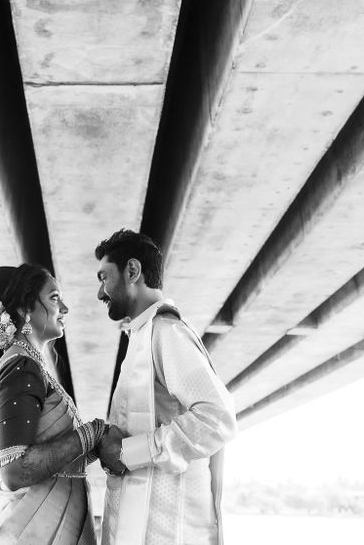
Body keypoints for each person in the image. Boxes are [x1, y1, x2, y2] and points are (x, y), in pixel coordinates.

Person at [93, 229, 236, 544]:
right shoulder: (144, 336)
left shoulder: (166, 333)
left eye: (104, 278)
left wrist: (130, 452)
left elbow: (217, 418)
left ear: (132, 271)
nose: (100, 292)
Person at [0, 263, 106, 545]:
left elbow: (54, 459)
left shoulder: (28, 364)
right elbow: (15, 470)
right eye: (55, 298)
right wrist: (92, 433)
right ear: (24, 309)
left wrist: (97, 443)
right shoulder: (22, 365)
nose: (65, 308)